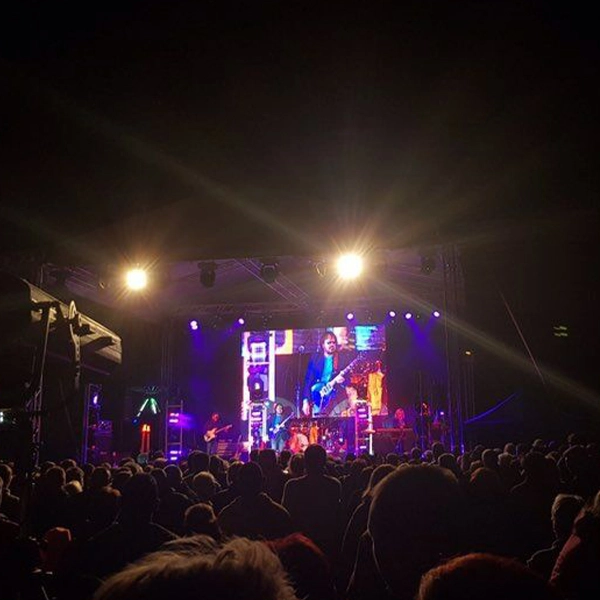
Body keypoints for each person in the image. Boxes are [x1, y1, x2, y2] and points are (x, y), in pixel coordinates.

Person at [302, 331, 347, 416]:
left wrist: (343, 381)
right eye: (329, 343)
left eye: (334, 342)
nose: (332, 345)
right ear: (323, 345)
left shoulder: (341, 359)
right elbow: (308, 380)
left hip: (335, 399)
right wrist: (305, 401)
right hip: (318, 396)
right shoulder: (315, 359)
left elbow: (347, 380)